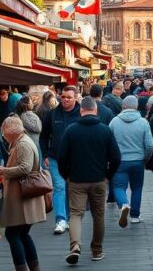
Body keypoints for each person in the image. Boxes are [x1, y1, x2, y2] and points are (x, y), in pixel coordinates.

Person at [58, 97, 121, 265]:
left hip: (76, 180)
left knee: (76, 214)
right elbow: (116, 157)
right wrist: (108, 175)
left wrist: (66, 175)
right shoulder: (105, 130)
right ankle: (97, 250)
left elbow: (62, 156)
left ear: (81, 111)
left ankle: (75, 246)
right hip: (99, 180)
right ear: (95, 110)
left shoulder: (71, 130)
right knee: (98, 215)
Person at [0, 116, 47, 271]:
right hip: (24, 197)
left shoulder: (23, 144)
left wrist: (2, 171)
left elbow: (25, 168)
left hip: (22, 197)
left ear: (12, 132)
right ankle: (34, 267)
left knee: (13, 235)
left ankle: (22, 268)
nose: (4, 137)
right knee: (23, 234)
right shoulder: (21, 141)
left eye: (4, 134)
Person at [40, 85, 81, 235]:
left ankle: (69, 218)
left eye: (69, 97)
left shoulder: (82, 114)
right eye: (63, 97)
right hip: (55, 158)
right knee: (59, 187)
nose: (65, 100)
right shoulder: (52, 114)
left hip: (76, 159)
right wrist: (44, 154)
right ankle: (60, 219)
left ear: (76, 97)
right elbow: (43, 136)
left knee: (71, 189)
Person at [110, 95, 153, 227]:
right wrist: (146, 157)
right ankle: (135, 216)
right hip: (138, 160)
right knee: (137, 188)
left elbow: (109, 142)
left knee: (118, 186)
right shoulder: (143, 122)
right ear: (136, 107)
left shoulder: (114, 122)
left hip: (120, 161)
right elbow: (150, 145)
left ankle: (123, 204)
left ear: (123, 106)